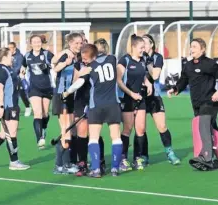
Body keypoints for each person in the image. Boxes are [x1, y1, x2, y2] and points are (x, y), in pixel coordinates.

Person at [63, 44, 123, 177]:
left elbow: (79, 83)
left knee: (94, 137)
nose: (83, 61)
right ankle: (115, 168)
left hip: (96, 106)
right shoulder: (112, 59)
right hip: (113, 105)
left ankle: (96, 169)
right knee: (116, 137)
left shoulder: (89, 68)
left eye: (85, 58)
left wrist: (67, 92)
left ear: (92, 56)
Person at [167, 38, 218, 171]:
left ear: (202, 49)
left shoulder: (210, 64)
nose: (192, 49)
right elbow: (183, 80)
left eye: (195, 47)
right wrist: (175, 89)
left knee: (203, 127)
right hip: (196, 103)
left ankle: (206, 157)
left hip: (210, 102)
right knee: (213, 129)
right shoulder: (188, 65)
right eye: (191, 47)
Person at [137, 34, 180, 165]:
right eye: (141, 43)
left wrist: (148, 62)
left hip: (154, 97)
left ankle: (170, 152)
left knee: (162, 126)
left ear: (151, 44)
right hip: (140, 97)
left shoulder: (157, 57)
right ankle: (143, 156)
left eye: (145, 42)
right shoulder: (136, 57)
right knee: (141, 129)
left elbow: (155, 75)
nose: (143, 45)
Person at [116, 34, 152, 171]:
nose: (143, 50)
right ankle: (122, 158)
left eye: (144, 47)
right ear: (133, 47)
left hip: (140, 98)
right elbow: (118, 81)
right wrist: (131, 94)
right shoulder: (124, 60)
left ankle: (138, 157)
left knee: (141, 129)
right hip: (127, 99)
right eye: (141, 47)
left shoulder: (142, 60)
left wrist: (148, 83)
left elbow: (142, 75)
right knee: (127, 129)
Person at [52, 33, 82, 174]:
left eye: (80, 43)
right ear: (70, 43)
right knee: (66, 132)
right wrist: (65, 63)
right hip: (61, 96)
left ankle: (59, 165)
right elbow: (55, 68)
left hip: (69, 96)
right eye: (76, 43)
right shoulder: (67, 55)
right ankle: (65, 164)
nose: (79, 45)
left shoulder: (76, 57)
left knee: (67, 131)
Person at [22, 35, 54, 149]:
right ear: (31, 44)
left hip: (47, 88)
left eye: (39, 42)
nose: (37, 44)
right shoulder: (27, 56)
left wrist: (48, 65)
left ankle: (44, 129)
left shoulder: (47, 54)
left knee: (45, 114)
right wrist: (22, 74)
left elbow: (54, 64)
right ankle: (39, 138)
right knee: (37, 113)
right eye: (34, 42)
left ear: (42, 43)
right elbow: (23, 68)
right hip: (34, 88)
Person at [8, 42, 32, 117]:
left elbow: (19, 67)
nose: (9, 49)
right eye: (8, 48)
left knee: (22, 94)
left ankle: (27, 107)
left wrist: (11, 72)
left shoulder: (19, 56)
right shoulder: (7, 56)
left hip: (18, 78)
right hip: (10, 79)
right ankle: (13, 109)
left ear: (14, 48)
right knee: (12, 94)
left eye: (10, 48)